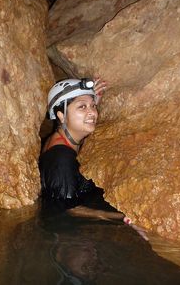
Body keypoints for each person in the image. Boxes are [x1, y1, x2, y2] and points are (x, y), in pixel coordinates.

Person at [39, 77, 148, 239]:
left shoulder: (65, 138)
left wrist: (92, 100)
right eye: (82, 107)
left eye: (93, 106)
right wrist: (125, 219)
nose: (92, 112)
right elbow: (68, 209)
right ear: (61, 116)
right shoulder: (61, 159)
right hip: (69, 236)